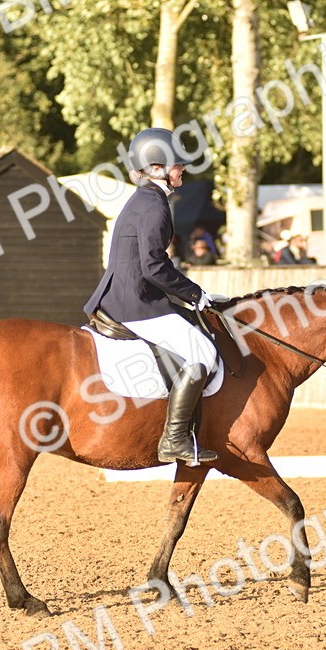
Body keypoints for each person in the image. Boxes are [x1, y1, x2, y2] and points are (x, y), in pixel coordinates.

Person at [83, 128, 219, 464]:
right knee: (203, 352)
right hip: (135, 302)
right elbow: (153, 267)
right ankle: (174, 439)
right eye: (177, 164)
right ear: (157, 167)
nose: (183, 168)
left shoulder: (144, 199)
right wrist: (194, 293)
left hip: (128, 295)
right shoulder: (155, 205)